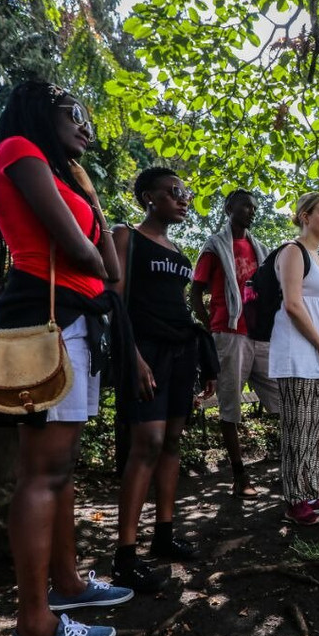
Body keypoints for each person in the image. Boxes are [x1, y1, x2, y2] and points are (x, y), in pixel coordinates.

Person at [0, 80, 133, 636]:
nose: (86, 127)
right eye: (76, 113)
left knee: (62, 468)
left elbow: (111, 267)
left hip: (75, 318)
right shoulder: (19, 150)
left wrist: (90, 200)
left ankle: (68, 586)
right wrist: (96, 256)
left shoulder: (63, 171)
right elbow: (83, 254)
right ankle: (34, 625)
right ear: (42, 111)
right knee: (41, 471)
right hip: (47, 318)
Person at [110, 168, 217, 592]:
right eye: (174, 191)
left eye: (185, 191)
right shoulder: (125, 237)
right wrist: (133, 357)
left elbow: (182, 310)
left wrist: (203, 363)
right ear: (147, 197)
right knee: (147, 444)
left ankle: (164, 535)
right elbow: (116, 303)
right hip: (144, 352)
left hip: (179, 354)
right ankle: (125, 554)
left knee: (172, 441)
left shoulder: (178, 252)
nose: (183, 197)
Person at [190, 189, 280, 498]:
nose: (251, 211)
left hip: (260, 335)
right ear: (229, 208)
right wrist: (212, 325)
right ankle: (240, 476)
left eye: (255, 207)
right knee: (230, 408)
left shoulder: (261, 249)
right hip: (229, 335)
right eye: (245, 206)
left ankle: (292, 465)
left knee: (284, 400)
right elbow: (195, 293)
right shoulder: (215, 247)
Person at [270, 192, 319, 524]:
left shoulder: (318, 256)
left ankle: (313, 490)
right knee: (297, 427)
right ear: (304, 216)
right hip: (298, 351)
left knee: (316, 427)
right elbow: (293, 304)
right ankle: (294, 498)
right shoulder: (293, 251)